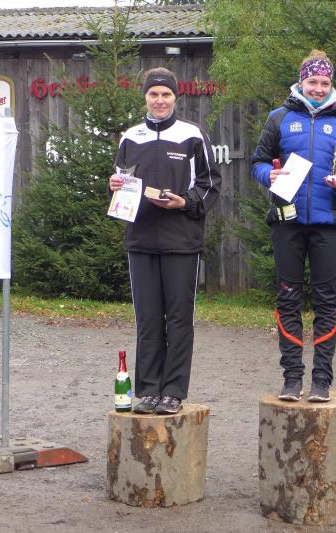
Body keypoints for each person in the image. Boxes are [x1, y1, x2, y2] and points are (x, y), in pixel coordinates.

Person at [108, 67, 221, 415]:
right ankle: (149, 391)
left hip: (181, 241)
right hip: (141, 240)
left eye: (166, 94)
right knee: (148, 320)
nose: (160, 100)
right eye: (154, 94)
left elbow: (211, 184)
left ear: (175, 97)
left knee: (179, 319)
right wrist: (115, 186)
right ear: (145, 96)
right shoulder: (131, 137)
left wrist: (184, 202)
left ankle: (172, 391)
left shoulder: (192, 135)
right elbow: (121, 182)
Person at [251, 50, 336, 403]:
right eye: (312, 81)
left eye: (324, 82)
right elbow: (257, 162)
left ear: (331, 84)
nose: (317, 88)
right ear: (301, 82)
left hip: (328, 224)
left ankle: (321, 381)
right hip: (288, 222)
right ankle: (292, 379)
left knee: (327, 301)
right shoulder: (279, 118)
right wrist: (269, 175)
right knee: (288, 298)